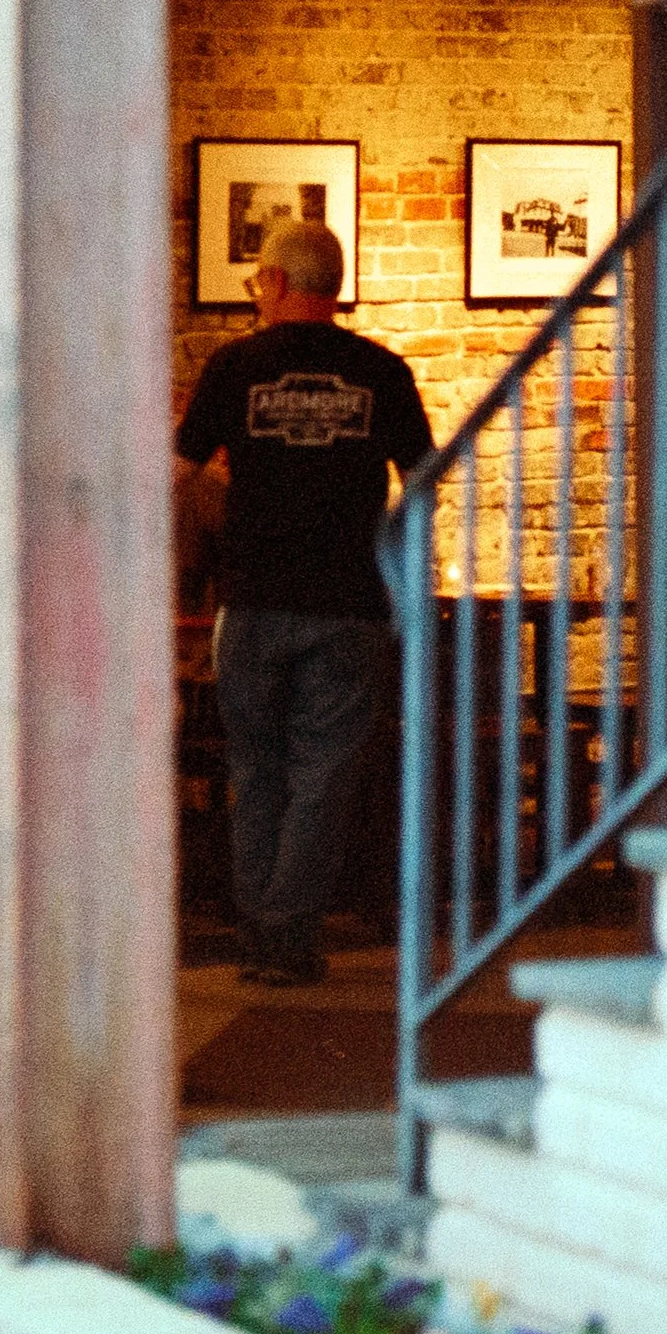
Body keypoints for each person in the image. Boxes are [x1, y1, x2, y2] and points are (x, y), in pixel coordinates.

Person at [173, 217, 434, 986]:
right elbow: (425, 480)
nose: (258, 293)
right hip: (349, 600)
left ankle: (265, 932)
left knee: (256, 768)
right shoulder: (382, 371)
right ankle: (284, 937)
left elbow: (176, 473)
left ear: (280, 281)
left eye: (259, 281)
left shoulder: (235, 366)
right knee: (323, 774)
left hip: (253, 599)